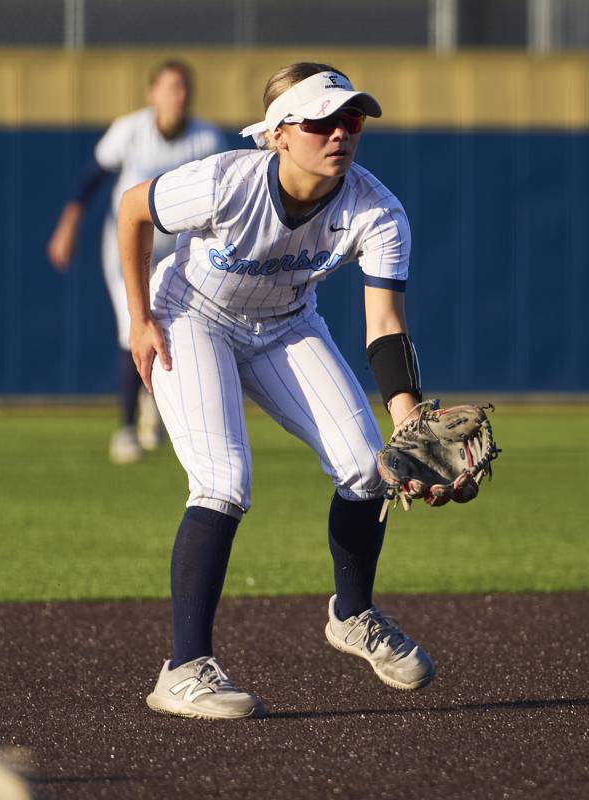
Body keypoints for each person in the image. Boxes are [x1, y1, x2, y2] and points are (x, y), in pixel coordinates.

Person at [116, 62, 437, 719]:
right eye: (321, 121)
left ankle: (353, 614)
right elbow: (131, 208)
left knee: (366, 466)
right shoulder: (224, 180)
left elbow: (385, 327)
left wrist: (410, 427)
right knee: (223, 479)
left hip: (286, 326)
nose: (340, 133)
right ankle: (183, 668)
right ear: (280, 134)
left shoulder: (375, 209)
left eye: (351, 119)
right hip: (191, 314)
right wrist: (139, 318)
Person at [47, 60, 226, 464]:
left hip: (180, 248)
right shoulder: (130, 131)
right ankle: (127, 428)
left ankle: (158, 404)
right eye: (169, 87)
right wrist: (68, 225)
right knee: (133, 325)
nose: (177, 96)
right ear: (152, 94)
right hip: (126, 246)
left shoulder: (207, 139)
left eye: (183, 88)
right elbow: (89, 178)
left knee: (184, 326)